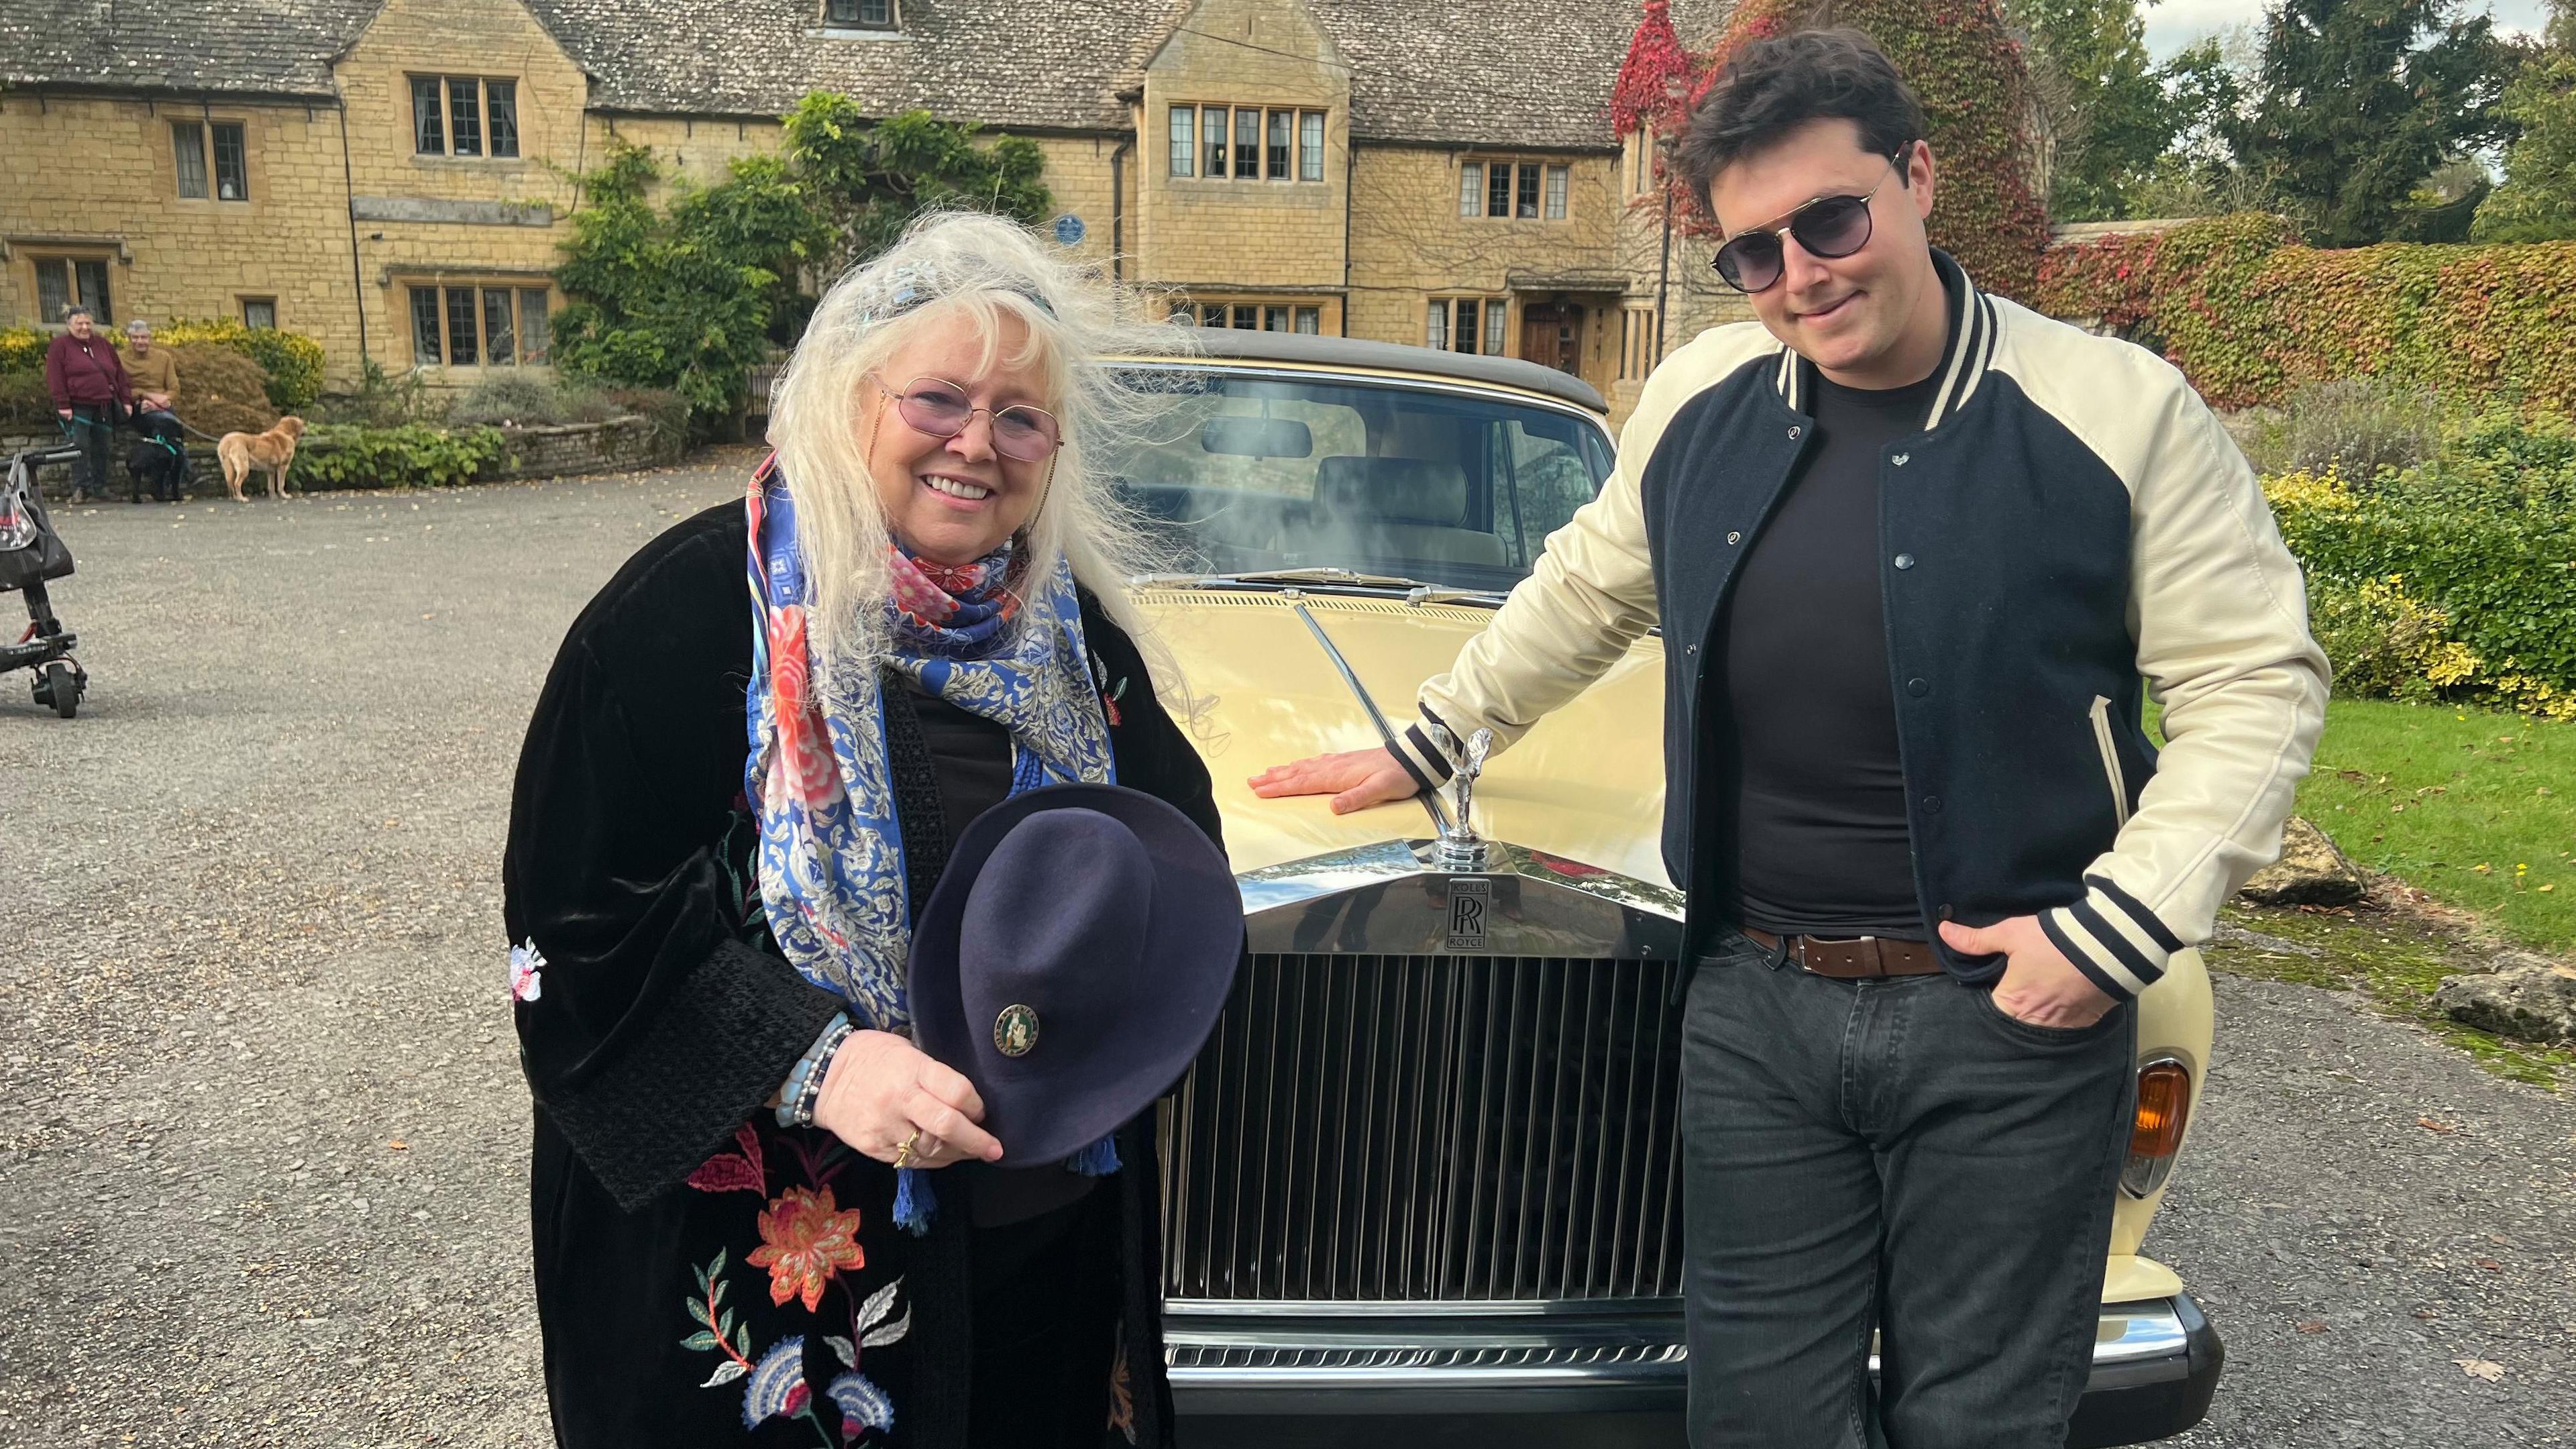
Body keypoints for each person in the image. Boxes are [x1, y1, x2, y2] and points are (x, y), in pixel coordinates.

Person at [1252, 29, 2326, 1449]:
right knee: (1759, 1418)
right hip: (1754, 1004)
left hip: (2009, 1015)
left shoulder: (2115, 411)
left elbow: (2256, 681)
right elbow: (1587, 585)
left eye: (1830, 221)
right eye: (1753, 253)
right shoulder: (1703, 399)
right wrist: (1435, 735)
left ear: (1918, 177)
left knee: (1984, 1422)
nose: (1800, 276)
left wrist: (2113, 935)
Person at [503, 211, 1219, 1449]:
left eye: (1020, 417)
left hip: (1040, 1256)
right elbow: (575, 935)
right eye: (939, 398)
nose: (977, 445)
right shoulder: (685, 622)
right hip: (789, 1276)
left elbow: (1172, 862)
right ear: (849, 401)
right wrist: (822, 1062)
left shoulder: (1073, 639)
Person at [42, 307, 129, 504]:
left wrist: (125, 399)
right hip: (77, 405)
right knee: (79, 446)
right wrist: (63, 404)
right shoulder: (60, 346)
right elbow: (55, 376)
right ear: (69, 325)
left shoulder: (103, 344)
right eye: (79, 324)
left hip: (104, 405)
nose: (84, 327)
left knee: (104, 447)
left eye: (88, 323)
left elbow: (119, 374)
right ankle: (80, 487)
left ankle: (100, 487)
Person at [122, 320, 189, 502]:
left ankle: (167, 481)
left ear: (150, 338)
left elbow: (174, 388)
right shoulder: (120, 359)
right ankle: (171, 480)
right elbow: (122, 389)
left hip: (163, 406)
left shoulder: (163, 358)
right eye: (135, 338)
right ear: (129, 339)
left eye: (144, 337)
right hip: (139, 407)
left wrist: (164, 400)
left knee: (171, 429)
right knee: (164, 426)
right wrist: (146, 396)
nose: (140, 341)